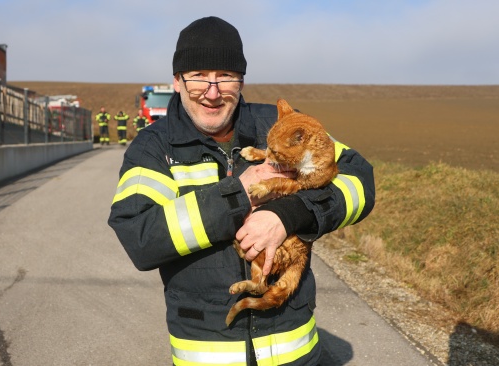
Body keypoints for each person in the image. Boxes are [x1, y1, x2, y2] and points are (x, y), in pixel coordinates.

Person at [108, 16, 375, 366]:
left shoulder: (277, 125)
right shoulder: (153, 147)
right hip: (206, 354)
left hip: (295, 350)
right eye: (199, 76)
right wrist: (239, 195)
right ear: (177, 81)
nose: (213, 91)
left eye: (225, 76)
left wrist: (290, 214)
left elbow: (359, 179)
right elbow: (140, 238)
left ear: (241, 79)